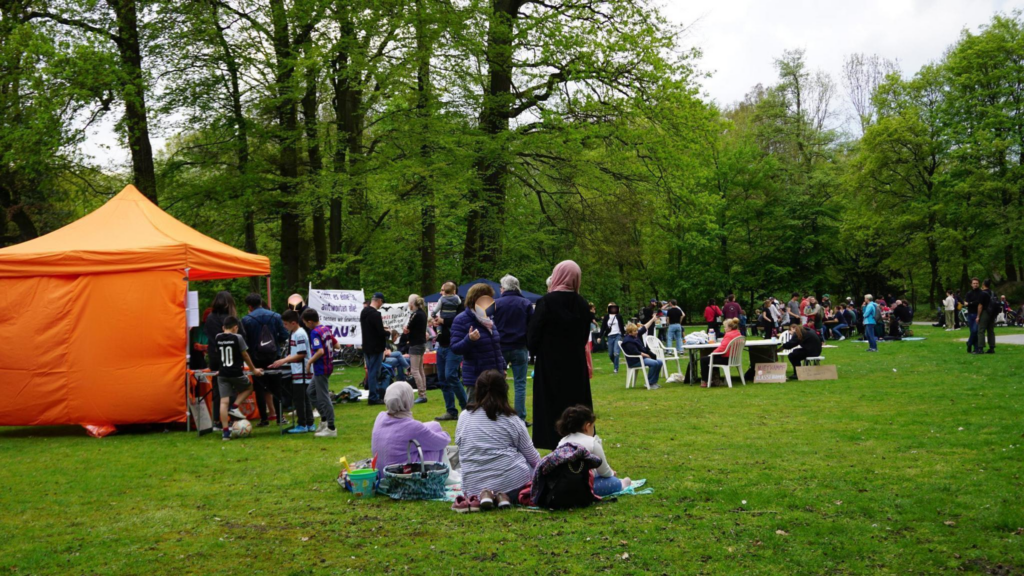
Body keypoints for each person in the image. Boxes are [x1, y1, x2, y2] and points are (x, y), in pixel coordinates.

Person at [528, 260, 594, 450]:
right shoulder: (582, 304)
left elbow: (533, 335)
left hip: (550, 365)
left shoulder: (546, 302)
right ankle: (579, 441)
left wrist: (537, 350)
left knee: (551, 406)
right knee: (576, 405)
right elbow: (583, 337)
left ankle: (552, 443)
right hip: (575, 365)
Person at [454, 370, 540, 510]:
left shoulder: (464, 416)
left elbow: (461, 446)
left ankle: (486, 494)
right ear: (504, 391)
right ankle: (502, 494)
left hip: (472, 487)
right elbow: (533, 458)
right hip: (513, 483)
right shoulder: (512, 420)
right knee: (532, 467)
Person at [371, 382, 451, 480]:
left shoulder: (381, 417)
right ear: (408, 399)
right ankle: (441, 477)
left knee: (434, 425)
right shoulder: (412, 427)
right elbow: (441, 442)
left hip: (382, 473)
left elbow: (415, 429)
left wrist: (435, 426)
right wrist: (443, 434)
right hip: (402, 477)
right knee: (435, 446)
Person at [556, 405, 631, 497]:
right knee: (614, 482)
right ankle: (623, 484)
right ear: (587, 426)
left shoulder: (562, 441)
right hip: (582, 487)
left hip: (563, 487)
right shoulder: (592, 442)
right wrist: (612, 473)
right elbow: (604, 472)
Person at [241, 293, 290, 427]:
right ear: (261, 302)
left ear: (249, 306)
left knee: (260, 388)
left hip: (256, 359)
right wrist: (275, 342)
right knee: (277, 387)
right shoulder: (275, 316)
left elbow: (244, 341)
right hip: (274, 357)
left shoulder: (246, 320)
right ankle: (280, 417)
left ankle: (264, 418)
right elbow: (285, 334)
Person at [450, 283, 505, 397]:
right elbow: (455, 348)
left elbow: (495, 347)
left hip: (495, 377)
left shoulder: (488, 319)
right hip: (477, 378)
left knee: (498, 411)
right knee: (475, 412)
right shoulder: (461, 320)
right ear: (476, 299)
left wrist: (502, 367)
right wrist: (469, 339)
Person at [214, 316, 264, 441]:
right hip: (236, 373)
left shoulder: (217, 337)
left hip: (223, 374)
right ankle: (235, 406)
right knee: (249, 388)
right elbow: (245, 355)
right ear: (235, 327)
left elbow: (218, 354)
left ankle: (225, 432)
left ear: (223, 327)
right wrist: (254, 369)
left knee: (223, 402)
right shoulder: (238, 337)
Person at [493, 274, 533, 424]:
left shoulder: (496, 303)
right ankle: (519, 417)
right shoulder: (525, 303)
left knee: (498, 382)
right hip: (519, 346)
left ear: (503, 288)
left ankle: (499, 414)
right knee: (520, 383)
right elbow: (531, 326)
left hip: (500, 346)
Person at [270, 310, 315, 434]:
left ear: (294, 323)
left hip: (302, 372)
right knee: (304, 398)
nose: (284, 327)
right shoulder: (294, 333)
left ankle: (303, 424)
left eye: (285, 324)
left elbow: (301, 354)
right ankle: (309, 423)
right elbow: (294, 353)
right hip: (298, 370)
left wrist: (284, 360)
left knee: (300, 399)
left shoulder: (300, 334)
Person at [432, 282, 469, 421]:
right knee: (442, 378)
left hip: (454, 346)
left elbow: (459, 320)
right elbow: (440, 319)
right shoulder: (442, 303)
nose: (441, 293)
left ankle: (467, 408)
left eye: (443, 290)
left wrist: (443, 320)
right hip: (441, 345)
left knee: (451, 376)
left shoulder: (461, 303)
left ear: (452, 291)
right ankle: (451, 411)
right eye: (441, 290)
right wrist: (437, 322)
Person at [302, 308, 337, 437]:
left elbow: (320, 351)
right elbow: (337, 345)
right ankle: (324, 419)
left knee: (323, 397)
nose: (306, 325)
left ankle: (331, 427)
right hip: (327, 366)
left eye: (305, 323)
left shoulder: (314, 332)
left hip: (321, 368)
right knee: (310, 392)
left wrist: (309, 362)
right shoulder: (326, 329)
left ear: (310, 322)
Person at [205, 291, 236, 428]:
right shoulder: (231, 318)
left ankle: (217, 420)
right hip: (231, 357)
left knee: (218, 389)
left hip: (215, 356)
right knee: (232, 388)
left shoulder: (210, 318)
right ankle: (233, 418)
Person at [361, 292, 390, 405]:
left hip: (367, 346)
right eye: (381, 302)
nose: (381, 305)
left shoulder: (364, 312)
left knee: (370, 369)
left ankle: (373, 395)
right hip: (376, 347)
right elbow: (380, 332)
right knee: (374, 372)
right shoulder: (376, 314)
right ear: (379, 301)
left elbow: (370, 329)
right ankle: (373, 397)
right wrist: (388, 332)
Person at [620, 318, 662, 389]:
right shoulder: (628, 341)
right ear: (629, 332)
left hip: (642, 358)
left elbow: (644, 328)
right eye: (634, 331)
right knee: (654, 363)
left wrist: (652, 320)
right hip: (635, 360)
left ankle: (654, 382)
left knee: (660, 362)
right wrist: (646, 355)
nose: (637, 332)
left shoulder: (635, 336)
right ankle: (649, 383)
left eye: (636, 330)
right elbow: (635, 352)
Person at [699, 317, 741, 387]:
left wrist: (711, 354)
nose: (724, 329)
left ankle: (704, 381)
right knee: (713, 358)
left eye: (725, 327)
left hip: (727, 359)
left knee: (704, 360)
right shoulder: (738, 333)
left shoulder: (728, 335)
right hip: (734, 358)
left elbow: (722, 348)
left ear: (730, 328)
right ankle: (714, 380)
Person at [404, 294, 429, 404]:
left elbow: (408, 328)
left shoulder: (415, 315)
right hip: (421, 343)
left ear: (411, 303)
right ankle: (423, 392)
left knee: (415, 370)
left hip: (415, 344)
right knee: (420, 370)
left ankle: (421, 394)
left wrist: (406, 330)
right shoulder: (423, 313)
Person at [601, 303, 625, 374]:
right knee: (610, 354)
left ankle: (615, 369)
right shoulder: (606, 317)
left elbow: (622, 326)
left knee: (616, 353)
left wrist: (623, 336)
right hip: (610, 336)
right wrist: (599, 337)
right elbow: (603, 327)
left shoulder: (619, 316)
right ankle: (616, 363)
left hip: (618, 335)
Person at [977, 279, 997, 354]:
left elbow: (980, 305)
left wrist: (978, 316)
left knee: (981, 330)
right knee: (991, 330)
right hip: (992, 313)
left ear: (983, 284)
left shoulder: (982, 293)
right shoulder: (993, 293)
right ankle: (992, 347)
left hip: (985, 312)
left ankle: (980, 348)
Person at [965, 278, 984, 354]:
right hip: (970, 314)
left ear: (978, 284)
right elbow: (966, 302)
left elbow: (978, 302)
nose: (975, 284)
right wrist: (970, 303)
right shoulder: (969, 293)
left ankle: (969, 343)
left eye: (976, 283)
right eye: (974, 283)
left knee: (975, 330)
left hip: (977, 314)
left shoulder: (981, 293)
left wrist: (970, 303)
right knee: (972, 331)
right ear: (971, 284)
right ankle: (975, 348)